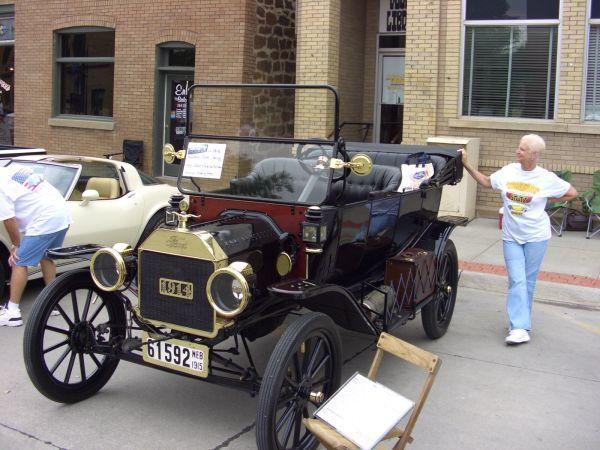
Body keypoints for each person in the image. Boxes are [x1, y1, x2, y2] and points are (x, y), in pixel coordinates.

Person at [460, 134, 578, 345]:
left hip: (536, 237)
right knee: (517, 279)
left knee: (528, 282)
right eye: (519, 147)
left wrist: (548, 199)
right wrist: (466, 164)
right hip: (511, 236)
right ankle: (519, 326)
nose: (518, 151)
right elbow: (486, 182)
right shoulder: (509, 171)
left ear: (534, 155)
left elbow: (572, 192)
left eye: (523, 149)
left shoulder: (546, 178)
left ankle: (520, 326)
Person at [0, 164, 72, 327]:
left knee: (19, 261)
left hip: (45, 220)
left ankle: (12, 313)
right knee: (46, 257)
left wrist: (15, 245)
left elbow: (9, 219)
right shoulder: (13, 169)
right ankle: (53, 303)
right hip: (62, 214)